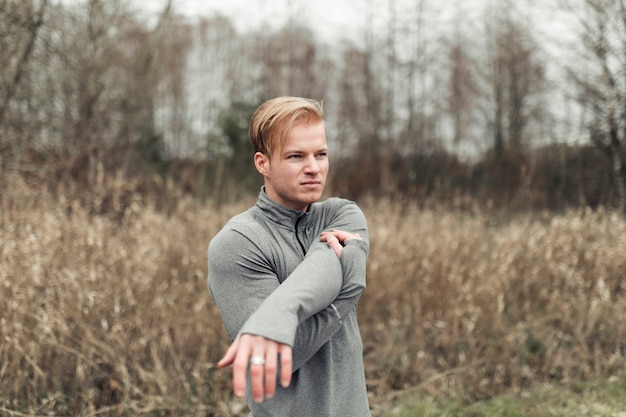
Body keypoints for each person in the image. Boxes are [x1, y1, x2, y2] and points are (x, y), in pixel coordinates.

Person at [207, 96, 371, 416]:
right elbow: (282, 358)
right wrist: (345, 295)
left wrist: (277, 313)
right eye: (296, 156)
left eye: (320, 154)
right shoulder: (238, 243)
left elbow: (323, 257)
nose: (313, 168)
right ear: (262, 163)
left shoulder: (342, 214)